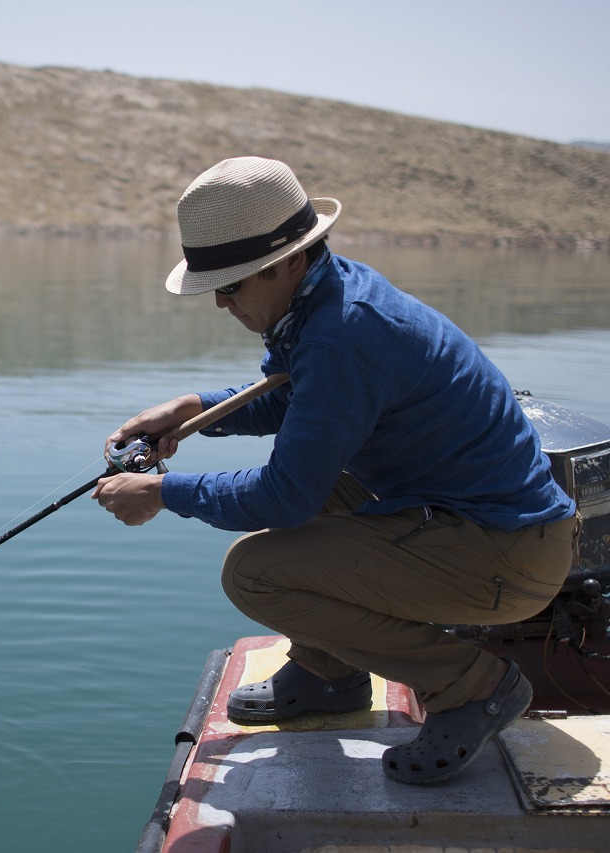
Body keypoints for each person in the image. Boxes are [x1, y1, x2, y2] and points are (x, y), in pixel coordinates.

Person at [92, 156, 580, 784]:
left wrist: (164, 492)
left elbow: (283, 498)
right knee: (324, 483)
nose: (220, 302)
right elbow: (304, 398)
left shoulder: (345, 332)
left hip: (506, 558)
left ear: (290, 259)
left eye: (233, 284)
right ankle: (329, 675)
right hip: (476, 525)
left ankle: (473, 686)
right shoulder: (330, 296)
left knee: (255, 574)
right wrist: (197, 411)